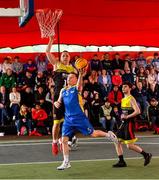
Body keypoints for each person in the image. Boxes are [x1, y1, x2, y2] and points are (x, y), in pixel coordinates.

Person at [54, 69, 118, 170]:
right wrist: (56, 103)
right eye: (69, 77)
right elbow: (58, 101)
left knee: (93, 133)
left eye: (72, 77)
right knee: (64, 140)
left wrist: (80, 74)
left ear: (75, 80)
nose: (69, 78)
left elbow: (80, 86)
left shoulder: (76, 89)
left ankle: (108, 134)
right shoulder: (63, 90)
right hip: (68, 119)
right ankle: (66, 162)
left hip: (79, 117)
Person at [46, 36, 77, 155]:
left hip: (70, 98)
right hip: (59, 97)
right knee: (56, 123)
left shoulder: (73, 69)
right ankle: (54, 141)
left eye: (67, 55)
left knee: (70, 121)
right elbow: (47, 52)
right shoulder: (56, 64)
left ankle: (66, 140)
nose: (65, 57)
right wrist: (51, 41)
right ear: (60, 57)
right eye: (63, 55)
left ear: (70, 58)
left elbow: (75, 84)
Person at [112, 81, 152, 168]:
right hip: (123, 123)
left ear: (130, 88)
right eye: (123, 87)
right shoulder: (123, 99)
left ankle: (146, 155)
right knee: (117, 141)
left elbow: (138, 111)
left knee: (129, 146)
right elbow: (124, 112)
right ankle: (121, 161)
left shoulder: (131, 98)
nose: (123, 88)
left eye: (125, 87)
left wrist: (127, 117)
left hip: (129, 124)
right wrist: (121, 115)